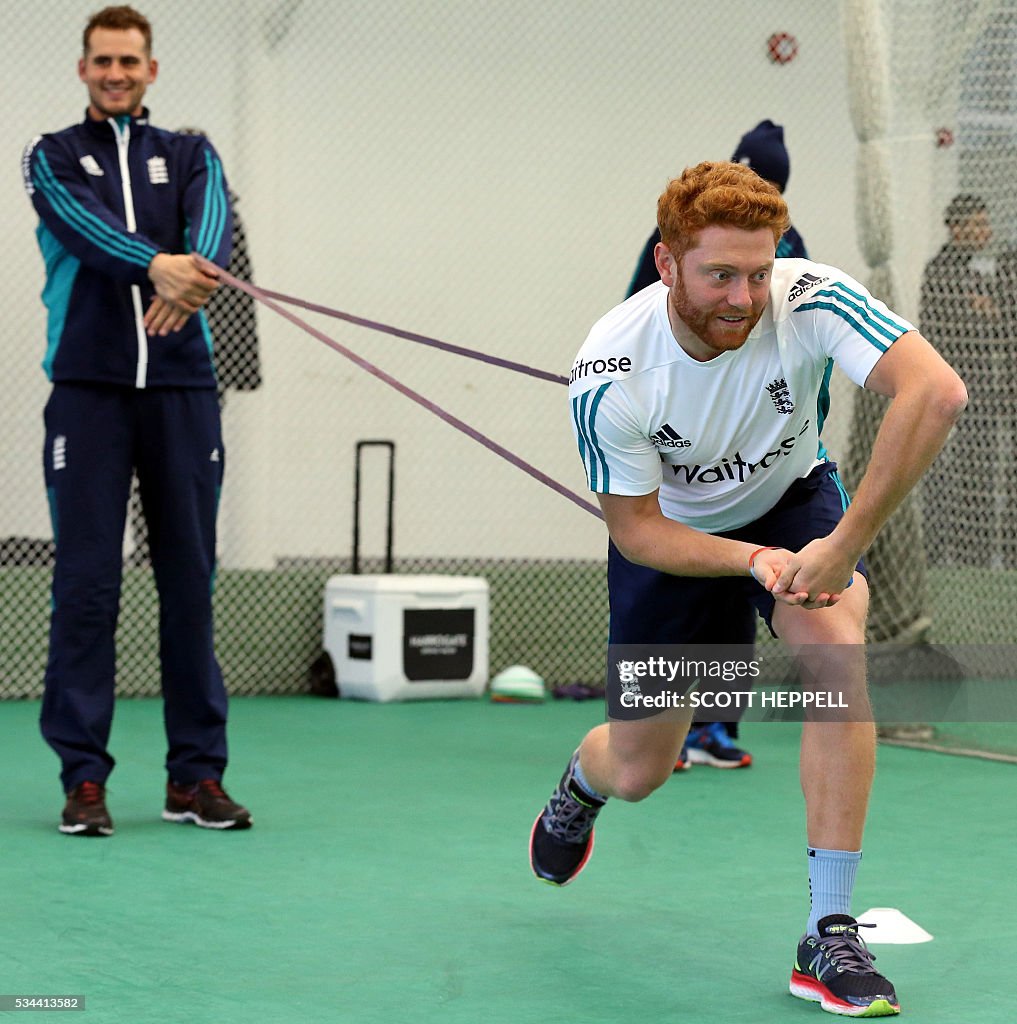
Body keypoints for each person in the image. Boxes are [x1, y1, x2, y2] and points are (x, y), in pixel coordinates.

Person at [532, 162, 966, 1016]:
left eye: (758, 272)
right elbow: (637, 530)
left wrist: (840, 546)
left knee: (835, 658)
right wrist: (746, 562)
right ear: (667, 265)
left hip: (798, 501)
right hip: (680, 546)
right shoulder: (609, 371)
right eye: (719, 275)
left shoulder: (810, 299)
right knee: (638, 770)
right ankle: (578, 787)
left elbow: (935, 392)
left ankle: (828, 933)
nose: (743, 296)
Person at [23, 5, 252, 836]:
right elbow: (84, 230)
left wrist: (190, 275)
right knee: (86, 587)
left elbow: (213, 227)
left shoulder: (190, 153)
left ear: (151, 71)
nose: (116, 73)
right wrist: (157, 266)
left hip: (186, 392)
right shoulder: (50, 156)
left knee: (190, 583)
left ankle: (195, 777)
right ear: (83, 70)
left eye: (130, 61)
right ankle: (84, 778)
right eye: (102, 61)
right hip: (87, 391)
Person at [628, 121, 809, 769]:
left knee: (736, 594)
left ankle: (714, 726)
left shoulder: (787, 251)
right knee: (670, 580)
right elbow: (643, 322)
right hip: (680, 469)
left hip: (755, 461)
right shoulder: (679, 241)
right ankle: (657, 732)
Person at [128, 126, 262, 564]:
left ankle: (182, 549)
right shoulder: (156, 215)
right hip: (153, 355)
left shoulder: (221, 220)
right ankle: (152, 547)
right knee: (148, 457)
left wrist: (232, 367)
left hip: (203, 362)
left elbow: (235, 300)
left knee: (189, 459)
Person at [919, 194, 1007, 566]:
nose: (984, 231)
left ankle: (977, 556)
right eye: (976, 223)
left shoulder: (977, 272)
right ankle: (950, 556)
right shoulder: (943, 271)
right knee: (950, 475)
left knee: (982, 474)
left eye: (985, 222)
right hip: (952, 393)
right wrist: (986, 312)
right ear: (957, 228)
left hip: (983, 395)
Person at [627, 120, 808, 298]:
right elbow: (638, 299)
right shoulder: (683, 225)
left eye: (765, 189)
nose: (753, 196)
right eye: (742, 183)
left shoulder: (789, 243)